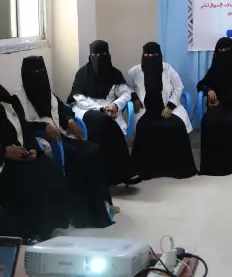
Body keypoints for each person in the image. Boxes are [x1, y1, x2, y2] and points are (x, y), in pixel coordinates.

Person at [17, 56, 115, 229]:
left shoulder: (48, 93)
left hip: (63, 137)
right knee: (79, 157)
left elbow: (63, 110)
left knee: (93, 150)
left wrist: (70, 121)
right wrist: (43, 126)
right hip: (46, 143)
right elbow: (21, 125)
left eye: (41, 71)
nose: (38, 75)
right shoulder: (18, 98)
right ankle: (83, 213)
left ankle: (101, 202)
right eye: (34, 72)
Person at [0, 83, 70, 242]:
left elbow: (25, 128)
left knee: (50, 169)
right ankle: (30, 233)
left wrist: (33, 149)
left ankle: (49, 226)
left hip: (21, 155)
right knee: (29, 180)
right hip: (5, 163)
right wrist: (5, 152)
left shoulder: (11, 102)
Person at [67, 40, 140, 186]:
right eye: (96, 55)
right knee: (104, 122)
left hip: (110, 110)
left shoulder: (114, 74)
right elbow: (79, 99)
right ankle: (124, 172)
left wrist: (115, 105)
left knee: (107, 125)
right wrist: (101, 109)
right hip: (86, 110)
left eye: (103, 54)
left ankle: (117, 174)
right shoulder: (82, 74)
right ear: (90, 56)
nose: (99, 59)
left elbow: (126, 93)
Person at [127, 42, 197, 179]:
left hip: (166, 108)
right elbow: (128, 87)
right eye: (147, 55)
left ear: (159, 55)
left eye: (154, 54)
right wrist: (134, 98)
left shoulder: (167, 68)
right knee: (144, 128)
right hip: (146, 109)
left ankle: (179, 169)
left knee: (177, 126)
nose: (150, 57)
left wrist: (170, 106)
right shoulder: (134, 71)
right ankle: (146, 170)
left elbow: (179, 87)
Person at [196, 37, 232, 176]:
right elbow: (201, 84)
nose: (223, 52)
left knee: (229, 122)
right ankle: (211, 164)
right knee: (209, 121)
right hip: (219, 106)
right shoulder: (214, 70)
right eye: (220, 50)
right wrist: (209, 90)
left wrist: (219, 102)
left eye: (226, 49)